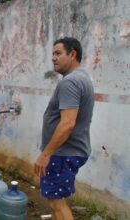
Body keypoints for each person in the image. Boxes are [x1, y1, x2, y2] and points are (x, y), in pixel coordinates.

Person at [35, 37, 94, 220]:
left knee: (56, 203)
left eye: (58, 53)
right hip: (68, 151)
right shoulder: (83, 78)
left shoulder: (70, 82)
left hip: (62, 153)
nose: (53, 58)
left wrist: (46, 154)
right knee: (56, 201)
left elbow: (68, 123)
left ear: (73, 54)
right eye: (53, 53)